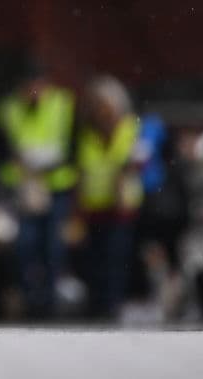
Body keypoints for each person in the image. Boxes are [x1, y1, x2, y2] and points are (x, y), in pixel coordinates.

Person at [0, 67, 77, 318]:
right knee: (25, 246)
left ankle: (49, 301)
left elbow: (72, 145)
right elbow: (3, 147)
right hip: (24, 186)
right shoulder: (9, 108)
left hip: (56, 184)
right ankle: (31, 299)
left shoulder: (63, 104)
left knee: (52, 246)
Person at [72, 75, 142, 319]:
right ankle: (97, 304)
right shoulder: (87, 136)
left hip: (121, 207)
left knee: (116, 258)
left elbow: (136, 162)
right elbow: (82, 171)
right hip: (94, 208)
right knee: (94, 260)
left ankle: (114, 304)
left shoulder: (129, 129)